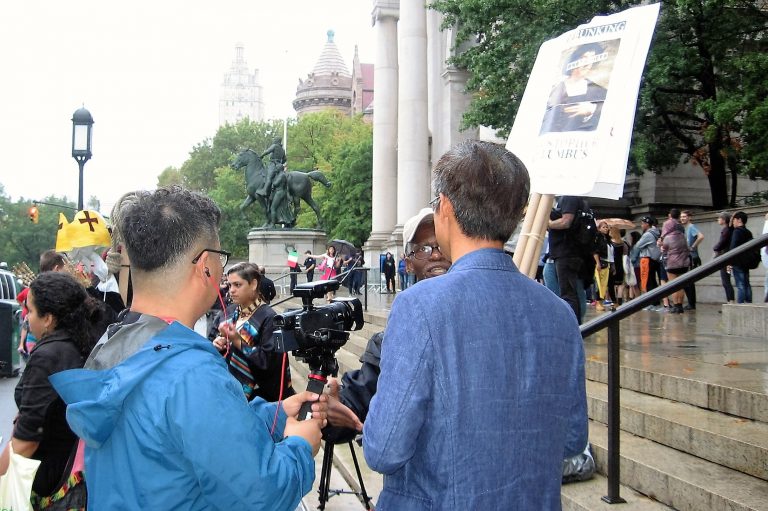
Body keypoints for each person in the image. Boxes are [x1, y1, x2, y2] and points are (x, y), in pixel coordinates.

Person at [49, 186, 329, 510]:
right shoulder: (191, 372)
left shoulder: (117, 340)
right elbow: (263, 494)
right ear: (205, 265)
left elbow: (181, 430)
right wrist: (299, 444)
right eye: (221, 259)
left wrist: (277, 415)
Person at [364, 141, 588, 510]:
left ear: (446, 207)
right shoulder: (560, 313)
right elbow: (571, 440)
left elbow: (384, 449)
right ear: (516, 215)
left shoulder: (419, 306)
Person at [0, 272, 105, 508]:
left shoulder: (47, 357)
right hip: (81, 475)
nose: (26, 318)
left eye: (31, 311)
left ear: (48, 318)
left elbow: (26, 441)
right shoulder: (84, 343)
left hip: (51, 483)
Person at [209, 262, 294, 402]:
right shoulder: (228, 312)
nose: (231, 290)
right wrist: (217, 344)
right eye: (230, 285)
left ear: (254, 284)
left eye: (238, 285)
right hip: (229, 390)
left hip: (260, 398)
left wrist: (237, 341)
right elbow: (211, 341)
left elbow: (269, 363)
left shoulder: (269, 317)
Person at [540, 42, 609, 133]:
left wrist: (592, 109)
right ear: (575, 60)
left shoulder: (599, 91)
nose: (587, 64)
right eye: (584, 58)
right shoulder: (554, 90)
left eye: (592, 60)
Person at [547, 195, 591, 323]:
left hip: (566, 252)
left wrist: (549, 224)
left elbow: (566, 222)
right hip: (567, 253)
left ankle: (573, 325)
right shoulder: (573, 199)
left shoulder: (569, 198)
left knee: (568, 292)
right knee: (570, 290)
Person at [660, 212, 691, 314]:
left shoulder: (668, 238)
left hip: (672, 264)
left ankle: (676, 306)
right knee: (681, 285)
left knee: (673, 285)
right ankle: (680, 306)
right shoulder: (682, 236)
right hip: (683, 263)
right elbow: (687, 248)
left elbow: (664, 249)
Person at [631, 216, 662, 311]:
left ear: (647, 224)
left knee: (649, 281)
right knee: (653, 281)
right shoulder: (657, 232)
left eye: (642, 223)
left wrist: (633, 257)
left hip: (648, 259)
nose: (641, 225)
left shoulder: (647, 234)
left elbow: (638, 245)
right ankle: (656, 301)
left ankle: (652, 303)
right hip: (656, 259)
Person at [680, 210, 704, 310]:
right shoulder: (686, 228)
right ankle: (691, 303)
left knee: (688, 281)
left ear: (689, 217)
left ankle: (691, 303)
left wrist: (692, 247)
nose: (682, 218)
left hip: (691, 257)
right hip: (688, 257)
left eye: (684, 216)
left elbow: (701, 236)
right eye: (681, 216)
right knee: (687, 281)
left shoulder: (691, 227)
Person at [729, 211, 753, 303]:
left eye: (734, 219)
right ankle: (749, 303)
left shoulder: (737, 231)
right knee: (747, 284)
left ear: (739, 220)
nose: (733, 222)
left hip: (737, 262)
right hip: (746, 261)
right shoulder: (748, 232)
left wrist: (729, 261)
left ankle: (740, 305)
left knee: (740, 284)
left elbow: (733, 247)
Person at [712, 212, 735, 304]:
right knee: (726, 280)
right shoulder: (729, 230)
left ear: (724, 220)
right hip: (728, 259)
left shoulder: (726, 230)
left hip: (726, 259)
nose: (718, 220)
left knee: (726, 280)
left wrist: (715, 248)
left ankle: (730, 301)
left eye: (719, 218)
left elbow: (721, 244)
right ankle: (730, 300)